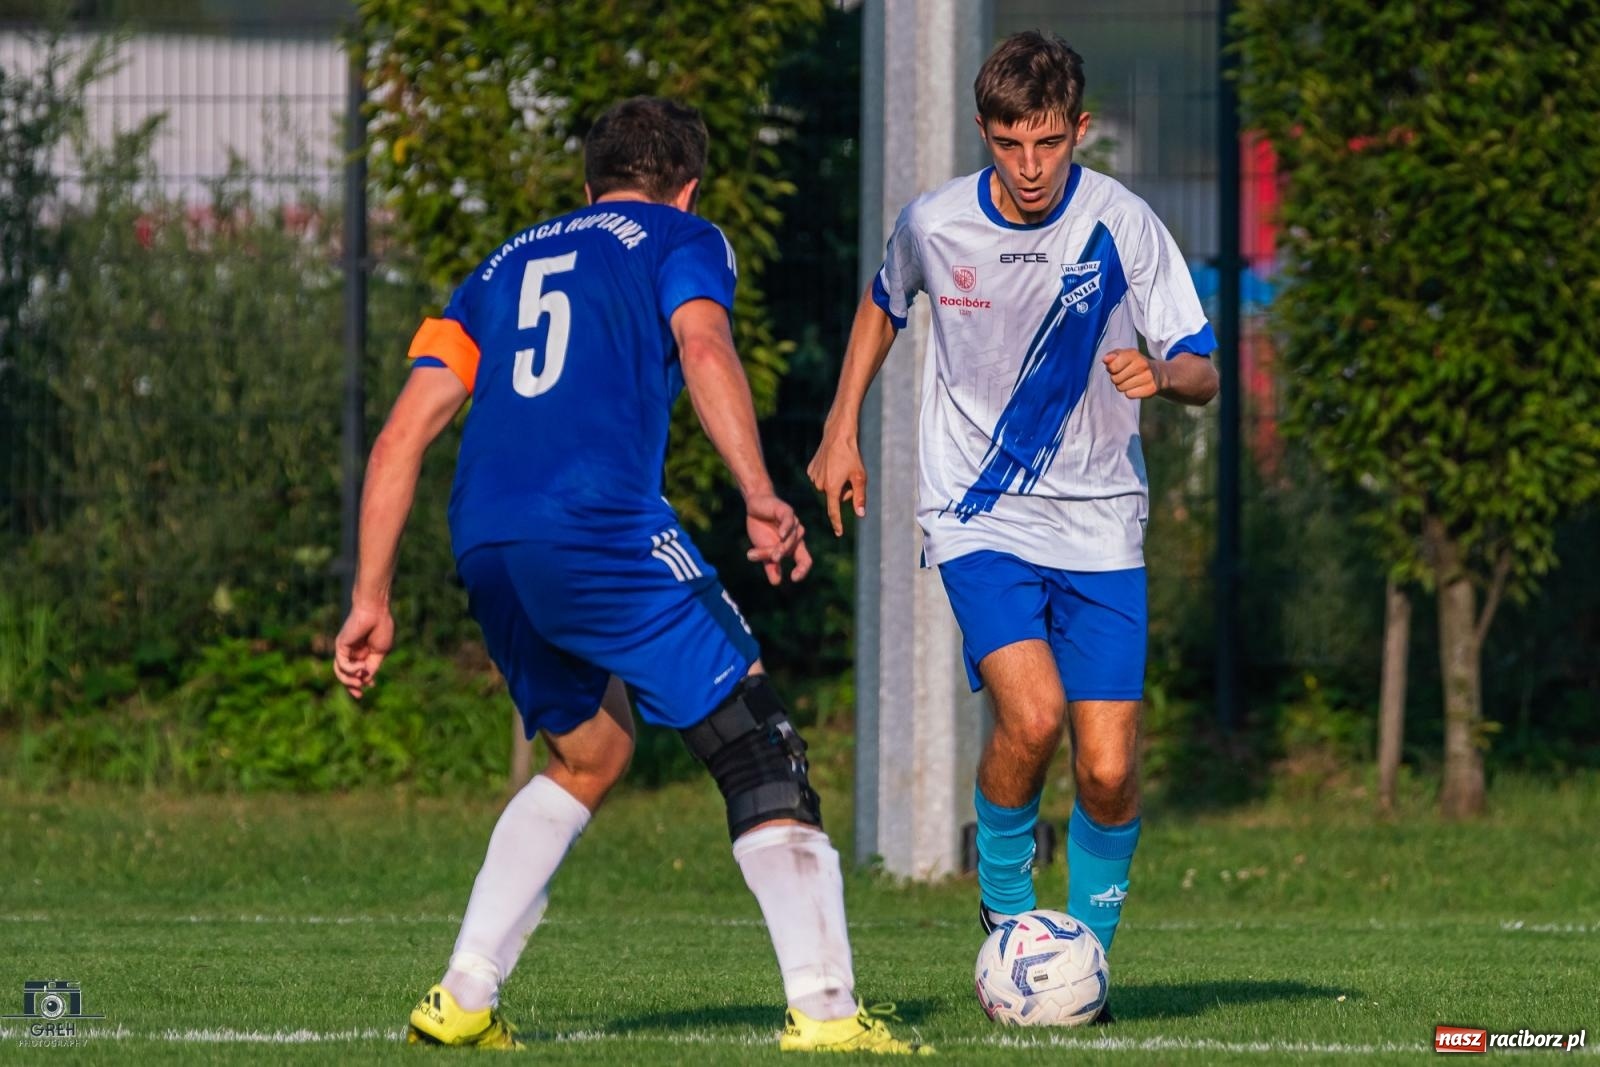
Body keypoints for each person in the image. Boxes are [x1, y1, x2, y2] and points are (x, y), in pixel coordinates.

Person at [334, 96, 926, 1055]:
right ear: (688, 188)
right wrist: (759, 491)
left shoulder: (499, 264)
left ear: (586, 184)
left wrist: (370, 599)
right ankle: (825, 1015)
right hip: (599, 523)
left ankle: (463, 998)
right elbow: (703, 344)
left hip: (486, 538)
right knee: (756, 741)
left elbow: (401, 435)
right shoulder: (682, 237)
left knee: (589, 755)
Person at [808, 31, 1219, 1021]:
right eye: (1007, 143)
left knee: (1111, 765)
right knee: (1031, 716)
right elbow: (880, 302)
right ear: (984, 133)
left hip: (1103, 520)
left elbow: (1205, 366)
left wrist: (1162, 376)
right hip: (975, 509)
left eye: (1046, 142)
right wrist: (838, 432)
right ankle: (1006, 921)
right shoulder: (936, 221)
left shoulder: (1123, 222)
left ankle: (1077, 969)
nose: (1029, 168)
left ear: (1077, 129)